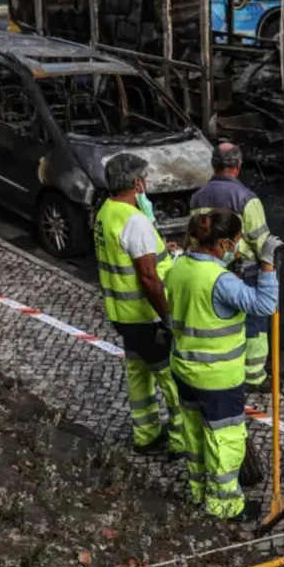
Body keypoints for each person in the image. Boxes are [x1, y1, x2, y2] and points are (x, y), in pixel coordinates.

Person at [165, 209, 281, 520]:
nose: (239, 249)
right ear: (224, 244)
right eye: (238, 242)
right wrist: (268, 266)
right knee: (224, 440)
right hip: (217, 379)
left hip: (183, 370)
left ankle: (199, 490)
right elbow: (265, 305)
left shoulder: (180, 267)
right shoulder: (221, 282)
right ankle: (224, 504)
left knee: (194, 433)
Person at [94, 153, 190, 459]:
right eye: (144, 178)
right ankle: (180, 441)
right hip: (145, 318)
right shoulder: (134, 221)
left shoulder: (106, 212)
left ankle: (146, 434)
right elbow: (148, 277)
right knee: (171, 380)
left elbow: (128, 256)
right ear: (137, 182)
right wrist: (168, 317)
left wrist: (162, 247)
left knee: (138, 374)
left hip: (121, 315)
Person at [188, 143, 274, 389]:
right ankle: (254, 376)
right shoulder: (246, 200)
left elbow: (194, 237)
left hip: (209, 269)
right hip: (244, 272)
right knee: (254, 326)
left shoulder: (197, 197)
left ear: (214, 165)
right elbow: (262, 242)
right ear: (238, 166)